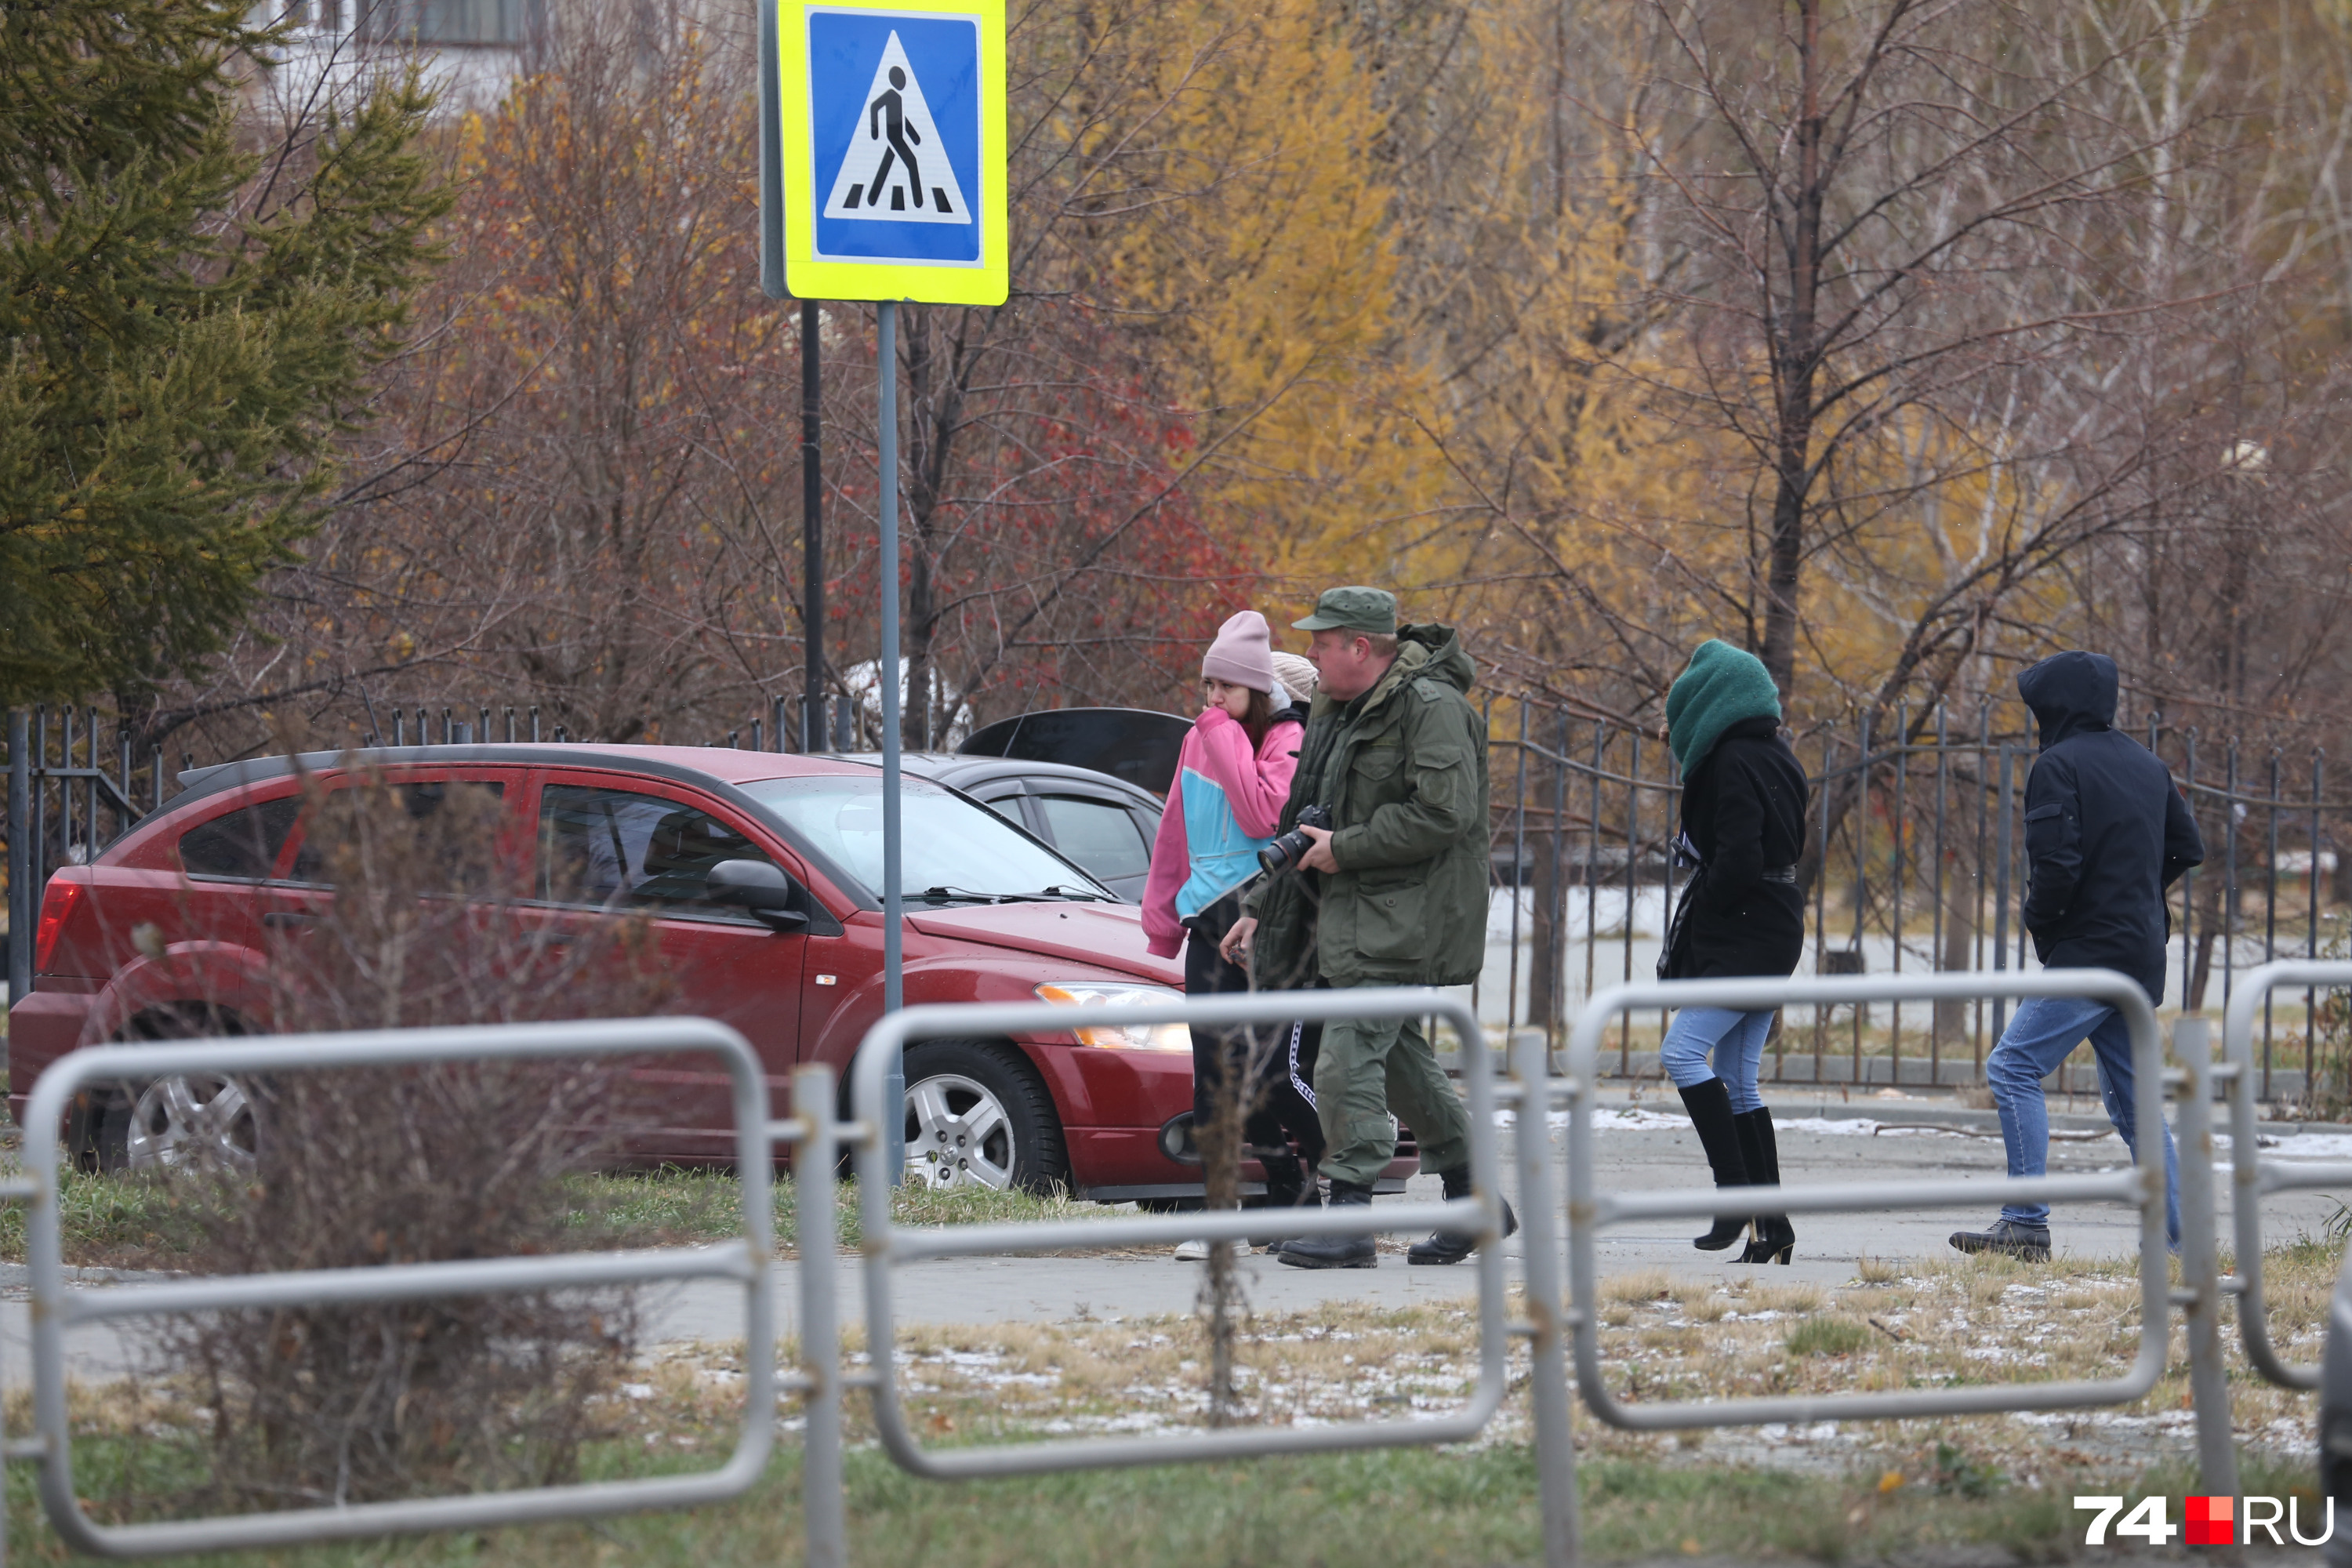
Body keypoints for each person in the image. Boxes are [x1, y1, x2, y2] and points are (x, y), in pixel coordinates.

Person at [1220, 586, 1514, 1270]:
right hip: (1346, 916)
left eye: (1323, 643)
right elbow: (1306, 813)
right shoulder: (1337, 705)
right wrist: (1261, 901)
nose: (1312, 656)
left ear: (1360, 646)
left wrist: (1346, 848)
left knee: (1345, 1058)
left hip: (1404, 920)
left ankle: (1349, 1217)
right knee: (1404, 1066)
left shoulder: (1434, 708)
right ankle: (1476, 1200)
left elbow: (1446, 815)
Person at [1951, 651, 2201, 1261]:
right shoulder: (2148, 765)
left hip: (2090, 953)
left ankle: (2026, 1223)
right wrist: (2135, 893)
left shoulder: (2056, 765)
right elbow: (2187, 847)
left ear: (2053, 706)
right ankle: (2182, 1240)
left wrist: (2044, 922)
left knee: (2011, 1068)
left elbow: (2056, 869)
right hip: (2140, 953)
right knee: (2138, 1105)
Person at [1141, 612, 1318, 1261]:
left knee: (1266, 1075)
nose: (1212, 698)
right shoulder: (1203, 736)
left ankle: (1303, 1188)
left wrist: (1222, 736)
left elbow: (1263, 814)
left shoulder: (1285, 738)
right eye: (1207, 684)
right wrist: (1162, 917)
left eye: (1226, 687)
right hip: (1207, 920)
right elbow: (1174, 832)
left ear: (1257, 691)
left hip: (1266, 916)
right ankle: (1224, 1216)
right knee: (1213, 1075)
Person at [1655, 641, 1809, 1265]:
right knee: (1739, 1079)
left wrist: (1710, 889)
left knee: (1682, 1052)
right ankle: (1772, 1225)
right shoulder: (1777, 754)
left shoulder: (1726, 761)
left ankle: (1734, 1191)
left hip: (1744, 928)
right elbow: (1770, 843)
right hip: (1776, 922)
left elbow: (1741, 856)